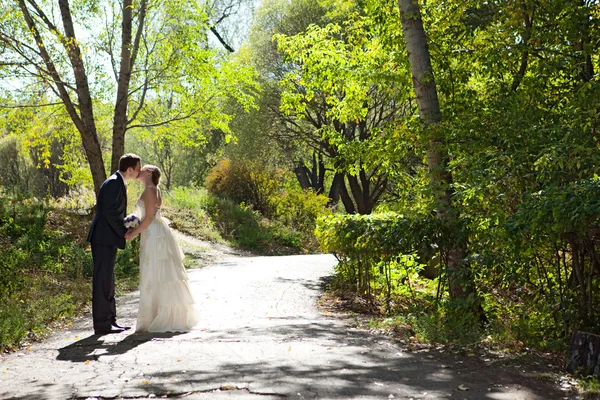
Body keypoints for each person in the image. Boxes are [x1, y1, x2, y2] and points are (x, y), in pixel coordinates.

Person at [126, 165, 199, 332]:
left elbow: (150, 217)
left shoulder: (151, 190)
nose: (139, 171)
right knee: (155, 270)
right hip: (152, 232)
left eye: (142, 169)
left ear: (149, 173)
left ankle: (157, 317)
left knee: (154, 271)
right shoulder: (152, 189)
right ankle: (156, 314)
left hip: (153, 234)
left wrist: (134, 232)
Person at [87, 154, 141, 335]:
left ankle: (110, 320)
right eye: (138, 168)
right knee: (103, 280)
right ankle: (102, 324)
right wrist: (124, 232)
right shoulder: (112, 183)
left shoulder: (117, 181)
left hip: (108, 238)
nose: (139, 172)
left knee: (108, 280)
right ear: (130, 169)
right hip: (103, 238)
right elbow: (109, 213)